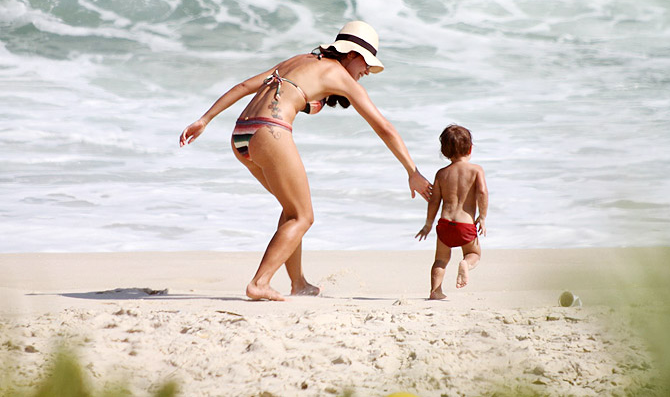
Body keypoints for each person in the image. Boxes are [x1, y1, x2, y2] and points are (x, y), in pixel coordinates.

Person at [179, 21, 432, 301]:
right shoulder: (339, 75)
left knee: (291, 211)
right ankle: (259, 283)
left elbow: (244, 86)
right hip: (270, 132)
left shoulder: (298, 60)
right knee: (303, 216)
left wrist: (205, 119)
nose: (366, 72)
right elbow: (384, 127)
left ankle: (298, 282)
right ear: (351, 54)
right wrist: (412, 171)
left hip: (241, 134)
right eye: (366, 64)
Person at [415, 125, 488, 300]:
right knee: (474, 254)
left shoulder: (441, 174)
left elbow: (434, 201)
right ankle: (465, 264)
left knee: (440, 260)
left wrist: (428, 224)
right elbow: (482, 192)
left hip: (445, 224)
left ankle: (435, 291)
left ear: (445, 152)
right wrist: (482, 217)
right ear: (470, 148)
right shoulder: (476, 170)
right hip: (465, 224)